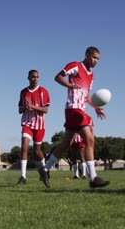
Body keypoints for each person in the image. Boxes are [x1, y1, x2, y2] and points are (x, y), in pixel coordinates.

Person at [38, 47, 110, 188]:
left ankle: (45, 169)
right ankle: (93, 178)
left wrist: (95, 107)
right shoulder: (76, 66)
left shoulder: (91, 76)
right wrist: (70, 85)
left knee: (66, 143)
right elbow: (58, 77)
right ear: (87, 55)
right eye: (94, 57)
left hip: (80, 110)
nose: (96, 61)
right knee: (89, 139)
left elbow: (87, 95)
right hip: (73, 109)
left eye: (98, 59)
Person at [17, 70, 50, 185]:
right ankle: (23, 177)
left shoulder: (43, 91)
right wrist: (26, 108)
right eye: (33, 77)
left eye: (37, 77)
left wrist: (33, 106)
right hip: (27, 123)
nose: (35, 79)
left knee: (37, 151)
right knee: (24, 147)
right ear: (28, 78)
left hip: (39, 125)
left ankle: (45, 170)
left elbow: (45, 110)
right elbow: (19, 110)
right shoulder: (23, 92)